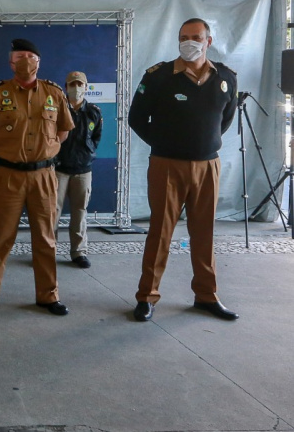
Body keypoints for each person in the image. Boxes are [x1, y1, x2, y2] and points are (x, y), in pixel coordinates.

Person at [128, 18, 238, 322]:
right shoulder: (159, 76)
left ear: (208, 41)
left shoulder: (225, 77)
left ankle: (206, 296)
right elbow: (136, 118)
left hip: (207, 166)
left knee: (204, 233)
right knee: (160, 232)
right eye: (184, 37)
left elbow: (224, 120)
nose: (189, 42)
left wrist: (203, 143)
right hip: (167, 165)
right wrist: (165, 143)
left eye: (196, 37)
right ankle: (147, 297)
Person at [0, 39, 74, 317]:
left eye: (30, 56)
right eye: (19, 56)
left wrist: (43, 152)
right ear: (10, 63)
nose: (25, 60)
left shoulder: (54, 93)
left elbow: (63, 132)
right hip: (8, 176)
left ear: (38, 62)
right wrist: (8, 150)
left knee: (46, 238)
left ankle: (48, 295)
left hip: (43, 176)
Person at [55, 70, 102, 269]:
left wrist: (87, 154)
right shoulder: (56, 109)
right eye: (72, 84)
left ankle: (78, 252)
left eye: (80, 84)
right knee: (51, 213)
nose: (76, 88)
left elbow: (96, 138)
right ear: (66, 87)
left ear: (86, 86)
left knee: (80, 212)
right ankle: (47, 251)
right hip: (58, 169)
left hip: (83, 170)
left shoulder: (93, 112)